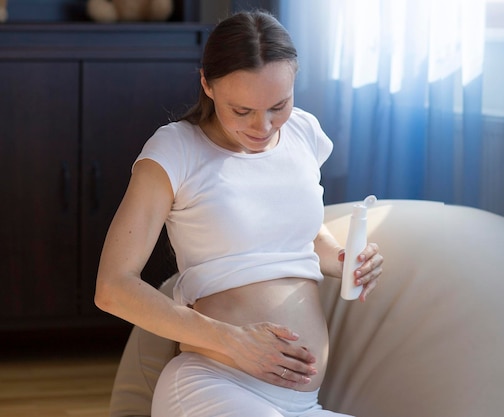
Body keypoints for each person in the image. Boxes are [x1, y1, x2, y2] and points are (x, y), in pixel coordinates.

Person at [95, 9, 384, 417]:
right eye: (242, 110)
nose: (263, 127)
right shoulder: (175, 150)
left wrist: (343, 258)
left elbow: (299, 233)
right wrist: (232, 340)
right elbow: (113, 288)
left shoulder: (304, 132)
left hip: (302, 404)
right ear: (206, 85)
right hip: (213, 385)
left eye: (278, 106)